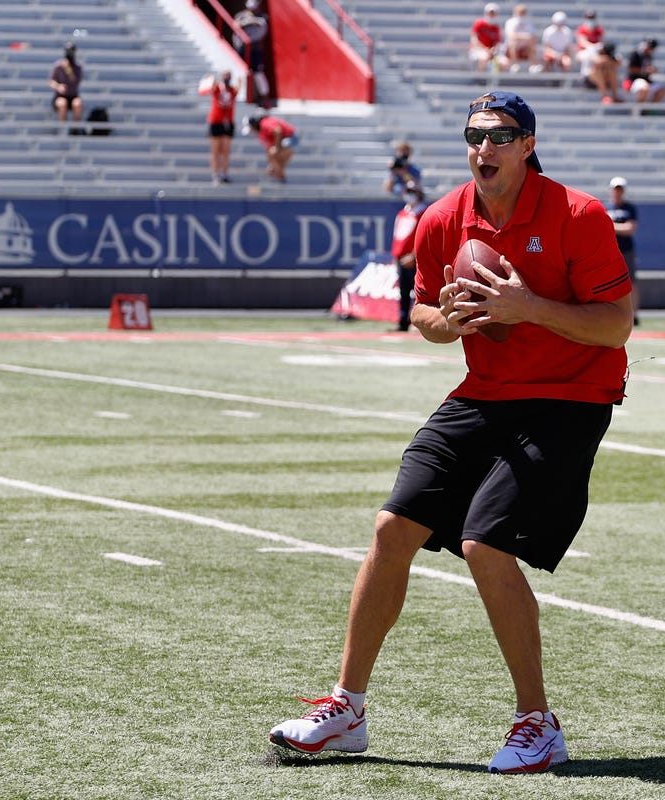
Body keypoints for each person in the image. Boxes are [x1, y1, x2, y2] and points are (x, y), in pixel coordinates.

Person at [267, 90, 633, 773]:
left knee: (484, 543)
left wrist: (528, 308)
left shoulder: (576, 214)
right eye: (475, 135)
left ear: (528, 144)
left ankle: (537, 723)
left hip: (570, 395)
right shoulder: (443, 218)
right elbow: (424, 320)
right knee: (391, 528)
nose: (484, 148)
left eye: (500, 136)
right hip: (484, 393)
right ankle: (347, 709)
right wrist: (450, 320)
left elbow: (616, 324)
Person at [390, 181, 428, 332]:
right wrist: (395, 256)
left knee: (420, 291)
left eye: (412, 191)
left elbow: (424, 237)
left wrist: (414, 255)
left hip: (415, 259)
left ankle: (419, 322)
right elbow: (397, 236)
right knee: (403, 292)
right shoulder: (402, 213)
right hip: (401, 258)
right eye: (407, 191)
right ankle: (403, 321)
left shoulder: (423, 212)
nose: (409, 194)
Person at [604, 177, 640, 325]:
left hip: (626, 250)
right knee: (607, 283)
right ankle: (609, 312)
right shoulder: (605, 207)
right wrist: (619, 227)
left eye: (620, 189)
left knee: (631, 282)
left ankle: (634, 314)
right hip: (610, 250)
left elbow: (629, 229)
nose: (617, 192)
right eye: (615, 189)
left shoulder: (629, 208)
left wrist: (611, 226)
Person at [199, 70, 239, 184]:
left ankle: (224, 173)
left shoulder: (232, 90)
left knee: (225, 151)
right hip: (216, 121)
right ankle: (215, 174)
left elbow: (239, 88)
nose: (227, 79)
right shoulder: (217, 88)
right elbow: (207, 89)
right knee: (215, 150)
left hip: (227, 122)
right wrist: (211, 80)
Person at [233, 0, 272, 106]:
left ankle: (265, 97)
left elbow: (262, 26)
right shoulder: (241, 15)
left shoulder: (262, 17)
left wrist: (249, 22)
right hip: (241, 48)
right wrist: (248, 21)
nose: (252, 10)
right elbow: (235, 25)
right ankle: (240, 96)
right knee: (240, 72)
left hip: (255, 49)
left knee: (258, 73)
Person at [246, 109, 297, 182]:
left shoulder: (264, 123)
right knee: (273, 157)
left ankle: (281, 177)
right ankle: (280, 177)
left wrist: (276, 148)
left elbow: (278, 131)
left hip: (290, 137)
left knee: (273, 155)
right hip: (284, 140)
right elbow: (269, 146)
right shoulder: (261, 133)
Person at [49, 41, 83, 129]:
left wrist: (68, 70)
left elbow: (75, 81)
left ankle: (75, 129)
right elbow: (51, 82)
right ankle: (63, 128)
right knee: (62, 103)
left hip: (73, 95)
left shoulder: (77, 67)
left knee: (77, 104)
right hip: (60, 96)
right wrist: (58, 86)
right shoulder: (58, 66)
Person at [625, 38, 665, 103]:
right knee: (645, 88)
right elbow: (631, 69)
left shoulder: (648, 56)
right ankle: (639, 110)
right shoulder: (635, 54)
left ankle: (648, 110)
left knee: (662, 90)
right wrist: (645, 70)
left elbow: (647, 71)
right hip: (635, 80)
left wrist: (652, 70)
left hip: (646, 80)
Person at [470, 3, 509, 73]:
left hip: (492, 52)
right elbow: (474, 40)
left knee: (504, 62)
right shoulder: (479, 23)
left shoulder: (496, 27)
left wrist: (493, 50)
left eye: (493, 13)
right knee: (484, 57)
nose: (491, 15)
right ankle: (480, 79)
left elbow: (497, 43)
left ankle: (494, 80)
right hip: (479, 49)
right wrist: (486, 49)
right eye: (490, 13)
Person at [503, 4, 541, 73]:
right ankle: (514, 65)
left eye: (523, 12)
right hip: (511, 49)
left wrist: (521, 37)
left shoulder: (529, 22)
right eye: (520, 12)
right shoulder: (510, 22)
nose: (522, 14)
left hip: (525, 48)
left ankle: (533, 65)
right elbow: (511, 36)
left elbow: (533, 37)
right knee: (513, 43)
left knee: (532, 43)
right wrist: (525, 37)